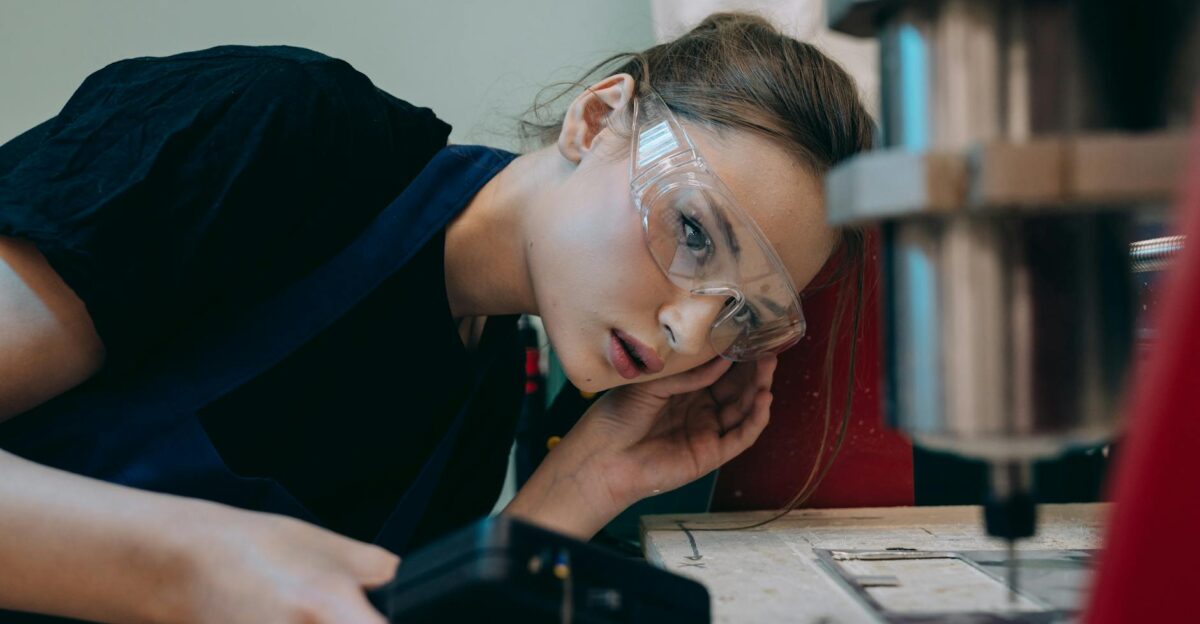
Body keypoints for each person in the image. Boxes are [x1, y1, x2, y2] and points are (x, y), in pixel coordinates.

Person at [0, 11, 873, 624]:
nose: (690, 330)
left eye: (740, 315)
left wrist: (582, 486)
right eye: (692, 231)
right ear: (599, 117)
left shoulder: (486, 392)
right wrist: (196, 568)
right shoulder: (278, 128)